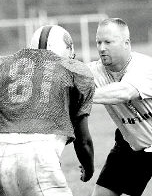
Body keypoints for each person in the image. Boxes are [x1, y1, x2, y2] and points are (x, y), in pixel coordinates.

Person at [0, 25, 95, 196]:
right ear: (67, 49)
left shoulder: (4, 64)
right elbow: (83, 140)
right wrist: (88, 167)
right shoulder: (74, 70)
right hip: (38, 156)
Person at [87, 18, 152, 196]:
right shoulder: (93, 71)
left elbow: (125, 92)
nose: (102, 47)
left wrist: (82, 97)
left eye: (108, 42)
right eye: (98, 42)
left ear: (126, 43)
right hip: (133, 141)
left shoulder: (144, 65)